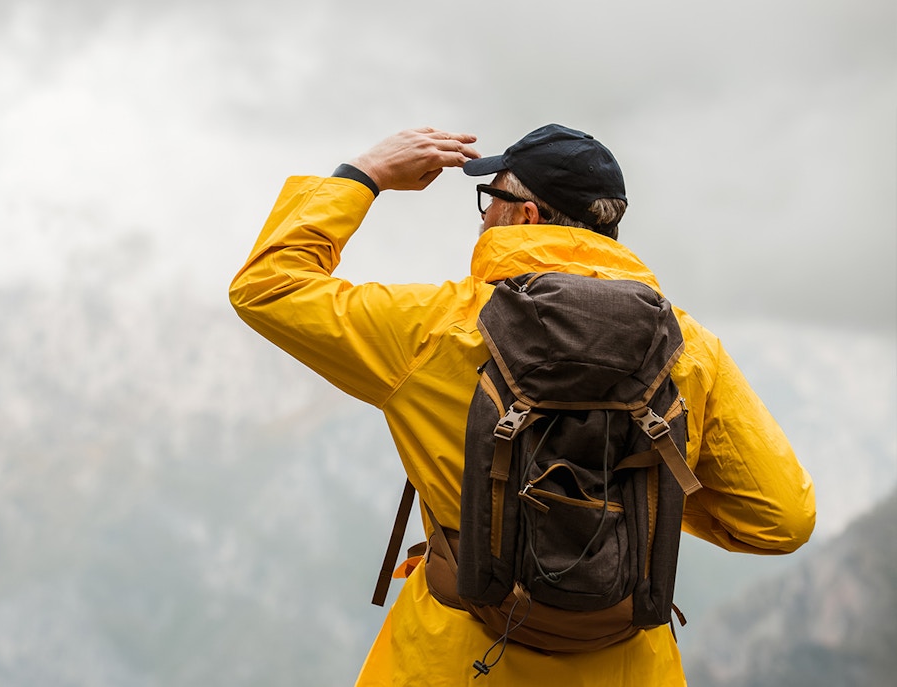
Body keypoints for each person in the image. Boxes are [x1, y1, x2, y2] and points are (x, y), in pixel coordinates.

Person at [228, 124, 816, 686]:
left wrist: (365, 173)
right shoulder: (687, 349)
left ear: (523, 215)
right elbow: (781, 519)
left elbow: (269, 287)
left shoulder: (436, 330)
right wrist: (638, 494)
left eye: (490, 197)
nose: (485, 214)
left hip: (457, 663)